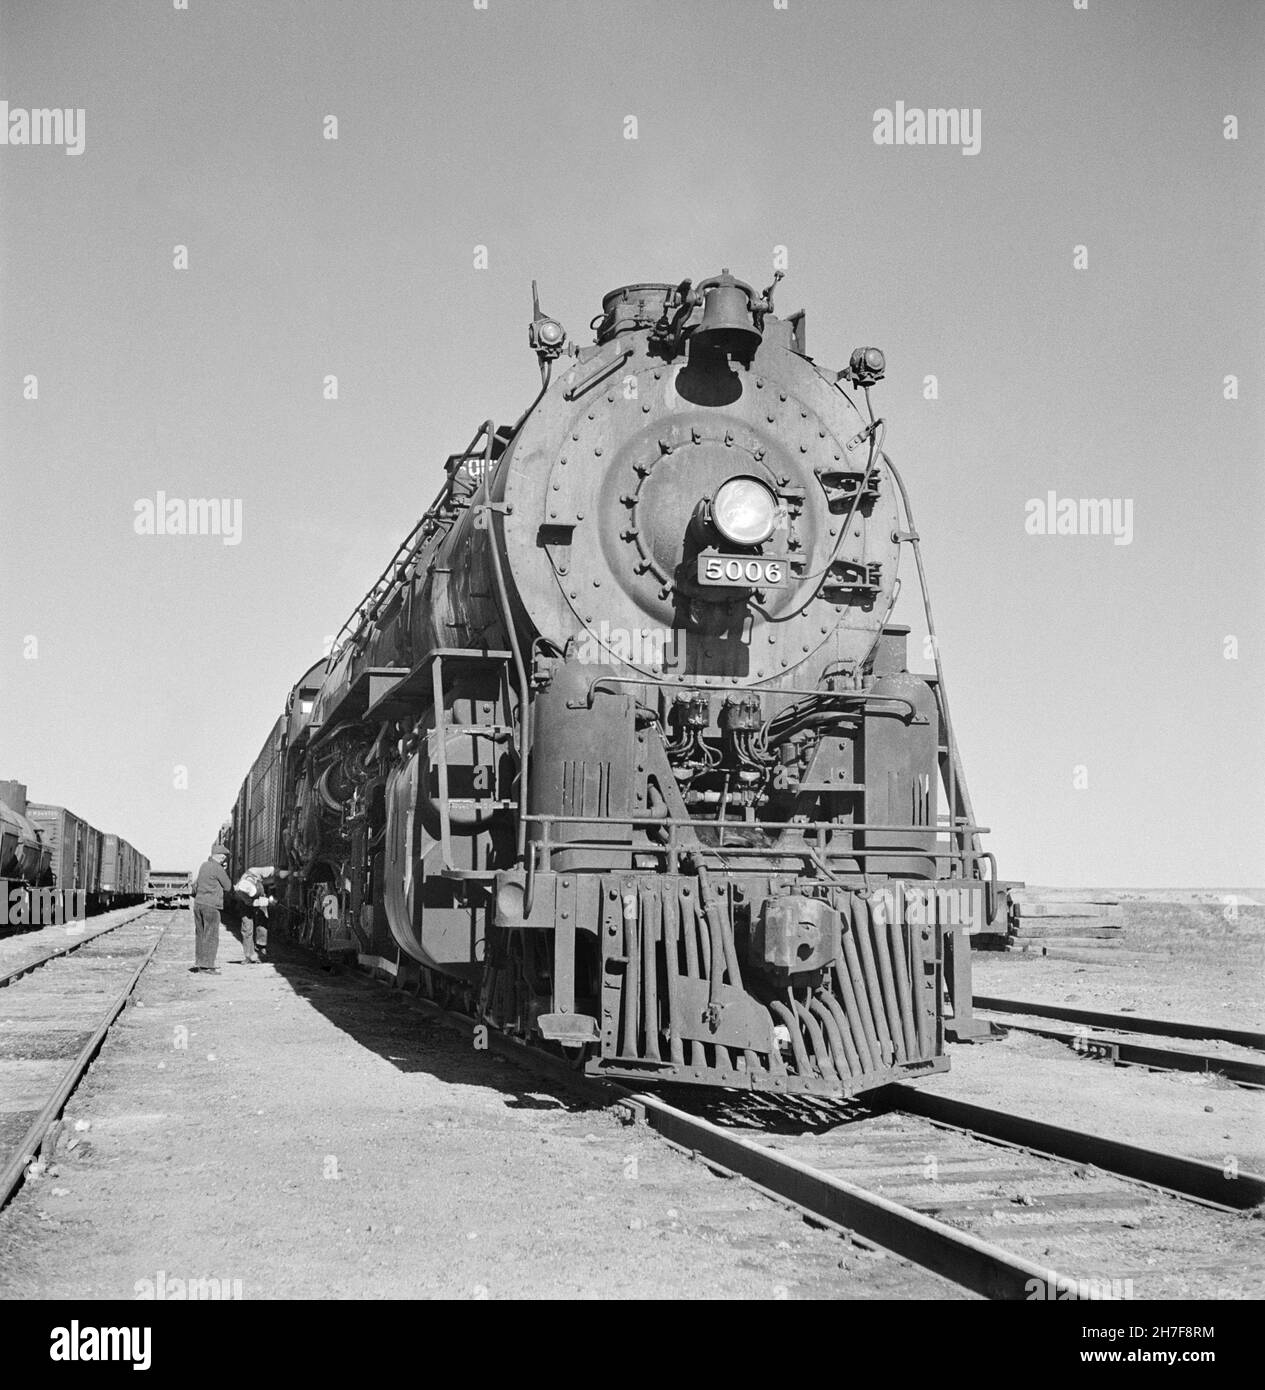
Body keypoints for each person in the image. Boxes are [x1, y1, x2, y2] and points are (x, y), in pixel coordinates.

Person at [190, 844, 232, 974]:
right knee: (211, 935)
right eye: (224, 857)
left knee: (200, 934)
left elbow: (196, 885)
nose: (225, 859)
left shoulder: (204, 865)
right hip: (211, 906)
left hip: (198, 904)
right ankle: (208, 966)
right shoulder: (218, 868)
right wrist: (224, 870)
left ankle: (200, 963)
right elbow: (228, 886)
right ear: (220, 857)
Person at [235, 865, 289, 964]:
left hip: (260, 896)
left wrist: (289, 873)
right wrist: (269, 902)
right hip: (247, 903)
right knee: (247, 927)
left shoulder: (254, 871)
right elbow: (251, 903)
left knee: (263, 920)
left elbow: (273, 870)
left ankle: (261, 947)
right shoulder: (239, 891)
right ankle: (248, 955)